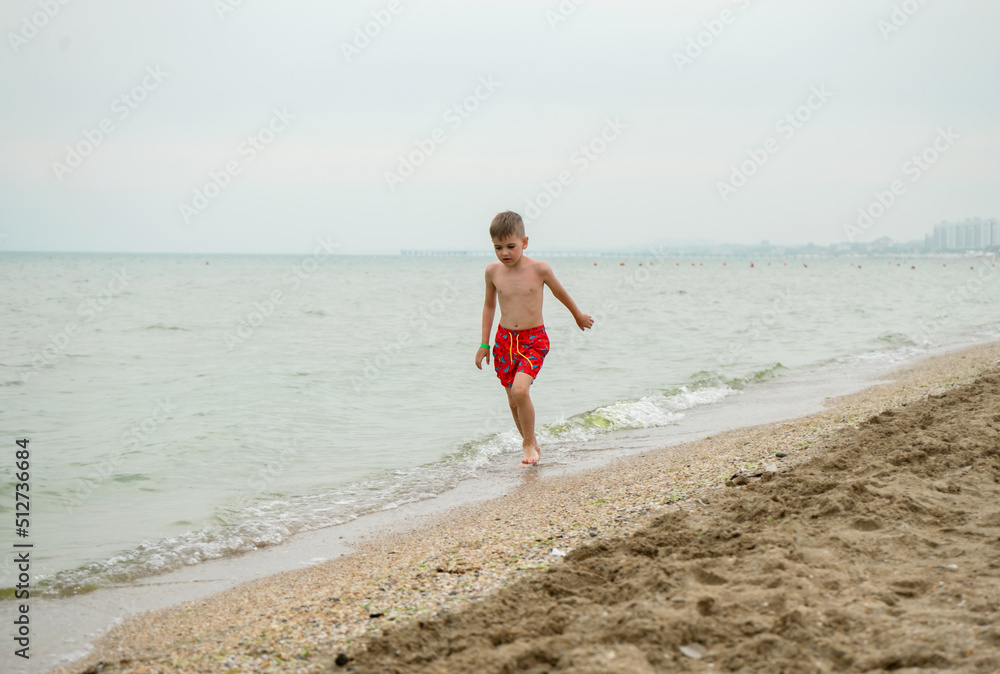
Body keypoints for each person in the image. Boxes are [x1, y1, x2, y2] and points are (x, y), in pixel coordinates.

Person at [475, 211, 594, 466]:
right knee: (512, 399)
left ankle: (527, 443)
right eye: (498, 247)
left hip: (533, 340)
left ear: (525, 242)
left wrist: (578, 316)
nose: (504, 253)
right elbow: (488, 307)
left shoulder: (539, 269)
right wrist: (484, 344)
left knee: (520, 390)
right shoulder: (493, 272)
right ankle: (532, 443)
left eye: (511, 246)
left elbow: (560, 293)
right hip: (504, 341)